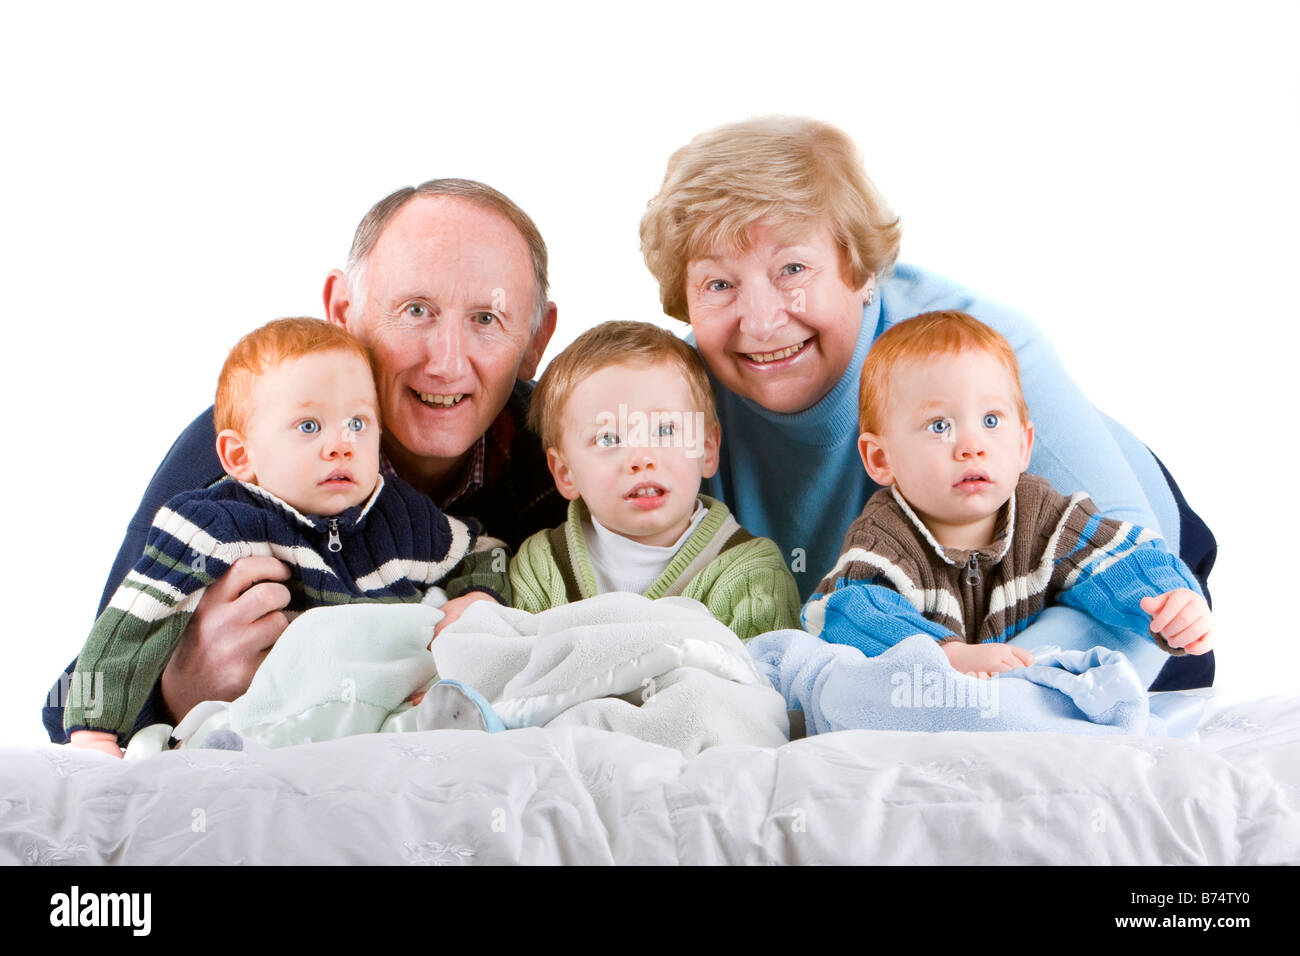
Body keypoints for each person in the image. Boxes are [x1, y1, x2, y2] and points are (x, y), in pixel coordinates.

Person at [639, 116, 1217, 690]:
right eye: (719, 284)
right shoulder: (676, 397)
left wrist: (970, 695)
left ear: (861, 270)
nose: (761, 322)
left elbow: (1130, 552)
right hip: (892, 619)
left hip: (1103, 575)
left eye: (793, 269)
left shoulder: (978, 343)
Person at [44, 179, 564, 743]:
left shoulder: (570, 452)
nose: (445, 363)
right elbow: (69, 701)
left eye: (487, 319)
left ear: (536, 340)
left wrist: (488, 602)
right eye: (416, 310)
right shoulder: (242, 451)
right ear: (343, 311)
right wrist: (179, 689)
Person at [65, 318, 507, 757]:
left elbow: (484, 551)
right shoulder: (217, 526)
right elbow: (134, 622)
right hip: (268, 720)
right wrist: (93, 731)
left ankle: (452, 723)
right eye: (309, 427)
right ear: (241, 456)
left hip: (373, 723)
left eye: (358, 423)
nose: (341, 445)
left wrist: (478, 596)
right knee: (225, 736)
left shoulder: (400, 516)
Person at [801, 310, 1213, 677]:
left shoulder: (1043, 515)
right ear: (880, 458)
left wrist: (1168, 600)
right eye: (939, 426)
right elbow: (851, 613)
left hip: (1019, 700)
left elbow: (1115, 559)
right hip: (929, 704)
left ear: (1023, 446)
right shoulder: (884, 537)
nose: (971, 446)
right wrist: (948, 655)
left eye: (991, 420)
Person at [507, 320, 801, 639]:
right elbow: (515, 675)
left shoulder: (751, 574)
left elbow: (757, 683)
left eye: (665, 431)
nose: (641, 459)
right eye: (607, 439)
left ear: (706, 449)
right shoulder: (542, 566)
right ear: (565, 473)